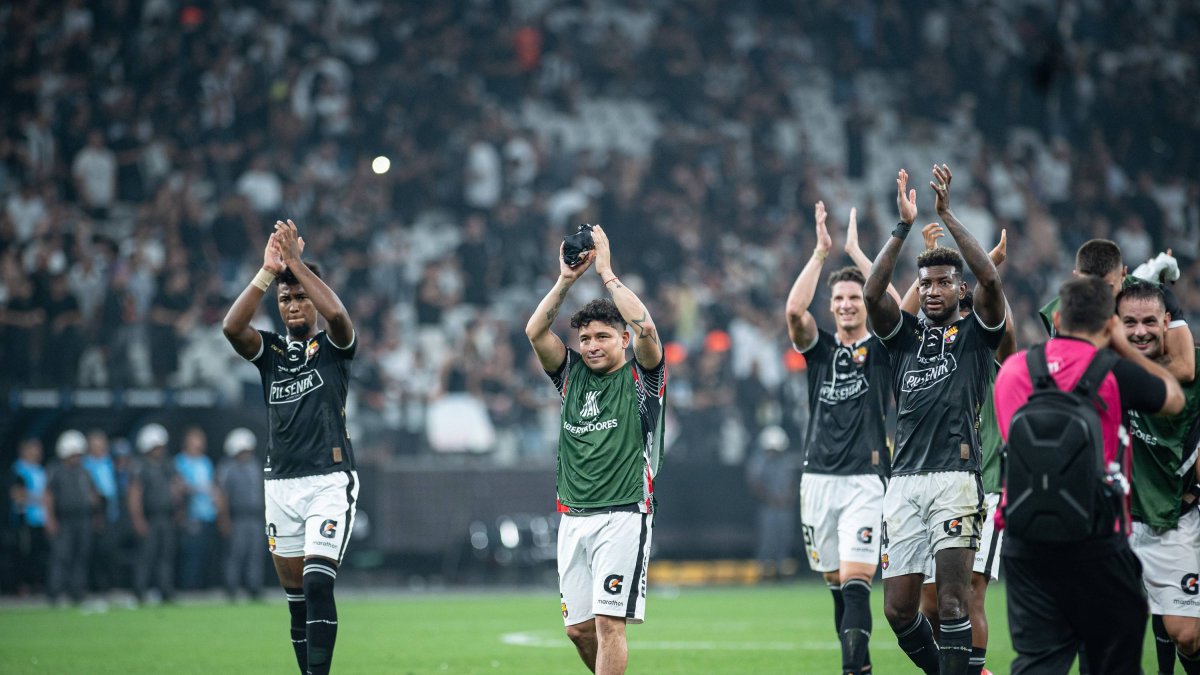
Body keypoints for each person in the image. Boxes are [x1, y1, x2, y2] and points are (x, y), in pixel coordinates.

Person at [993, 275, 1185, 674]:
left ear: (1058, 317)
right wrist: (1124, 351)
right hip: (1097, 538)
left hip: (1025, 539)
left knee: (1038, 661)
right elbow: (1175, 397)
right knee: (1112, 660)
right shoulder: (1115, 371)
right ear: (1110, 323)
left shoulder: (1014, 369)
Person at [863, 166, 1008, 675]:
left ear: (959, 289)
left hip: (955, 479)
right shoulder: (904, 339)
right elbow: (871, 295)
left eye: (944, 283)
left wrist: (947, 215)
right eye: (925, 284)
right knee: (899, 611)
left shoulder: (975, 335)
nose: (932, 291)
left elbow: (990, 279)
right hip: (902, 483)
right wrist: (902, 229)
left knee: (952, 604)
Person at [525, 224, 666, 675]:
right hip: (573, 515)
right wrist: (566, 279)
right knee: (579, 631)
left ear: (622, 339)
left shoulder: (643, 378)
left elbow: (647, 327)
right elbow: (535, 330)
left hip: (624, 512)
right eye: (584, 339)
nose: (591, 346)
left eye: (602, 336)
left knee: (609, 624)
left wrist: (605, 271)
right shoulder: (570, 376)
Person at [223, 219, 359, 675]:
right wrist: (267, 273)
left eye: (300, 296)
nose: (293, 304)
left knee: (319, 583)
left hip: (328, 479)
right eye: (286, 299)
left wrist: (297, 266)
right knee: (297, 599)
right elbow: (231, 327)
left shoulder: (334, 347)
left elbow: (339, 317)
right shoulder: (272, 353)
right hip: (279, 483)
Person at [785, 202, 896, 674]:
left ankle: (856, 670)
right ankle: (856, 664)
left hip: (866, 479)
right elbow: (794, 310)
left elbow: (891, 302)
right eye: (840, 300)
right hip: (818, 480)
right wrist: (820, 253)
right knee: (836, 583)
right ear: (831, 308)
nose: (848, 304)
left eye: (855, 298)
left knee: (857, 581)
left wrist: (857, 252)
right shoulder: (821, 349)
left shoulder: (884, 346)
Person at [907, 223, 1015, 675]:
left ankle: (976, 671)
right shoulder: (934, 349)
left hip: (985, 482)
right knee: (931, 602)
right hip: (938, 481)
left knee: (969, 592)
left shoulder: (987, 347)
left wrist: (985, 266)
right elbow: (903, 315)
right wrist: (931, 266)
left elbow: (996, 312)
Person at [1117, 281, 1200, 673]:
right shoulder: (1107, 370)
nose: (1140, 331)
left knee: (1188, 634)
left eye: (1150, 321)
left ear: (1167, 322)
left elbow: (1184, 366)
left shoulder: (1192, 371)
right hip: (1116, 525)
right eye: (1129, 322)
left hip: (1175, 521)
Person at [1038, 239, 1194, 383]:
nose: (1099, 297)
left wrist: (1115, 371)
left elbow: (1185, 369)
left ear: (1123, 274)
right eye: (1091, 287)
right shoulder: (1065, 310)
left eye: (1108, 288)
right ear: (1077, 278)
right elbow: (1067, 374)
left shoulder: (1157, 297)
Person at [128, 423, 181, 604]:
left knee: (165, 556)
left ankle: (166, 591)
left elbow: (176, 487)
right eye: (156, 446)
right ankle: (140, 591)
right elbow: (135, 494)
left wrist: (178, 507)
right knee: (146, 556)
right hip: (149, 517)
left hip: (166, 517)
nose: (160, 450)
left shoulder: (167, 465)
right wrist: (138, 518)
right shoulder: (140, 466)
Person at [45, 430, 98, 605]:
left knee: (80, 556)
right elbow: (49, 496)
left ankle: (77, 592)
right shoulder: (56, 470)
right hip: (64, 520)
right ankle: (55, 592)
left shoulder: (84, 471)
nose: (77, 457)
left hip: (83, 519)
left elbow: (92, 492)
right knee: (62, 556)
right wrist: (50, 519)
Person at [218, 427, 266, 601]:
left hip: (255, 516)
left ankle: (254, 587)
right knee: (236, 553)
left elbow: (262, 491)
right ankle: (231, 588)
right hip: (237, 516)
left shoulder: (255, 466)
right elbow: (223, 495)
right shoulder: (228, 468)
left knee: (255, 553)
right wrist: (224, 519)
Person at [744, 425, 796, 582]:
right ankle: (764, 570)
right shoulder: (759, 462)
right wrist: (771, 497)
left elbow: (793, 482)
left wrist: (787, 497)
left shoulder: (787, 462)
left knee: (784, 538)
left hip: (785, 507)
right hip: (768, 507)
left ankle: (782, 569)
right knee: (767, 539)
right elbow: (755, 483)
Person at [175, 426, 219, 590]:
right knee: (190, 554)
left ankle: (202, 587)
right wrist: (199, 489)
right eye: (196, 440)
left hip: (207, 514)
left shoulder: (206, 462)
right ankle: (188, 588)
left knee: (205, 553)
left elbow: (212, 485)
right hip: (190, 515)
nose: (200, 444)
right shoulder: (180, 461)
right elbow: (179, 486)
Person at [82, 429, 121, 593]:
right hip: (93, 515)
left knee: (109, 552)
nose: (101, 448)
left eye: (103, 444)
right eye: (97, 445)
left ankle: (108, 586)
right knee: (91, 552)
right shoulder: (85, 465)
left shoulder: (109, 463)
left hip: (111, 514)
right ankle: (92, 587)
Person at [8, 438, 49, 596]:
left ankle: (36, 584)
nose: (37, 452)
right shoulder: (18, 469)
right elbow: (17, 495)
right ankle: (21, 585)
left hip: (40, 519)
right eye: (34, 449)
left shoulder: (40, 470)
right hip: (25, 519)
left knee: (38, 554)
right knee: (24, 552)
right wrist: (39, 499)